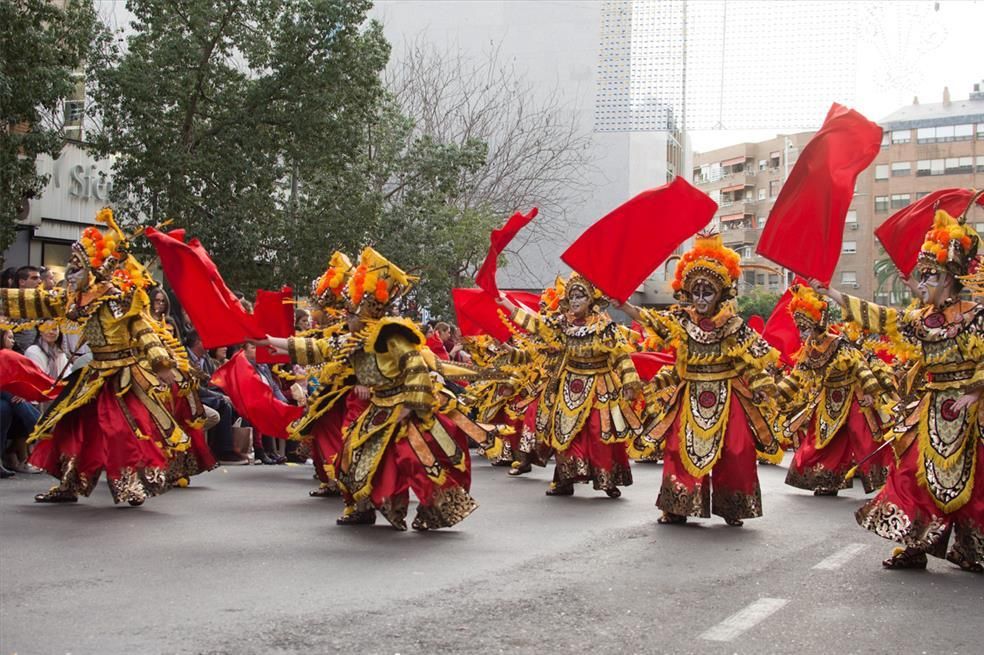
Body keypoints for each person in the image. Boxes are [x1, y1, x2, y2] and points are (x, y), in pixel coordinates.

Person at [812, 205, 983, 572]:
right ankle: (913, 545)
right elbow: (879, 316)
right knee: (910, 473)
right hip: (932, 406)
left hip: (971, 410)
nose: (922, 284)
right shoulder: (919, 320)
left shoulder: (974, 316)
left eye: (930, 276)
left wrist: (975, 393)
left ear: (950, 278)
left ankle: (974, 548)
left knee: (978, 479)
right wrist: (832, 294)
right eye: (922, 276)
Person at [259, 247, 478, 531]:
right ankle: (364, 508)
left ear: (365, 311)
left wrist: (409, 407)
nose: (344, 317)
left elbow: (416, 369)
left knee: (418, 461)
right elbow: (318, 348)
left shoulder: (392, 335)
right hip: (379, 407)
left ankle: (434, 511)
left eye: (349, 312)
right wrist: (269, 341)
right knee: (352, 456)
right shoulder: (354, 338)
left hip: (407, 408)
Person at [0, 208, 193, 505]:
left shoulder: (118, 298)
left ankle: (129, 484)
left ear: (93, 266)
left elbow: (144, 331)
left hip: (122, 377)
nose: (70, 270)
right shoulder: (75, 298)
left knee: (120, 431)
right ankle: (69, 484)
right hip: (93, 374)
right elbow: (39, 301)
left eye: (76, 264)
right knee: (69, 426)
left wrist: (162, 363)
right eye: (70, 264)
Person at [619, 232, 782, 526]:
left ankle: (733, 506)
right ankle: (678, 505)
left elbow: (754, 360)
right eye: (696, 291)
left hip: (727, 394)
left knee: (736, 449)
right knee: (678, 448)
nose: (701, 298)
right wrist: (626, 306)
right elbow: (653, 321)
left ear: (720, 294)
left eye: (708, 292)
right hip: (690, 392)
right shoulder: (682, 320)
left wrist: (762, 388)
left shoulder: (734, 326)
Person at [497, 273, 644, 498]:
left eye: (580, 297)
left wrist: (629, 381)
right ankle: (565, 479)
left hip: (600, 385)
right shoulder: (561, 324)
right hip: (569, 385)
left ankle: (606, 479)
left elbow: (621, 356)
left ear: (591, 301)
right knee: (564, 433)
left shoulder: (605, 327)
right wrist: (507, 304)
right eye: (572, 297)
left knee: (599, 433)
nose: (575, 301)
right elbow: (537, 324)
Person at [776, 284, 891, 496]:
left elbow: (861, 368)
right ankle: (827, 480)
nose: (802, 334)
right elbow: (796, 377)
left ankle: (880, 481)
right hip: (827, 397)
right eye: (800, 328)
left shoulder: (839, 344)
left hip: (853, 395)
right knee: (820, 440)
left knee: (863, 436)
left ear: (818, 324)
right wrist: (774, 393)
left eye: (805, 328)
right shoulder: (808, 350)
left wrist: (870, 395)